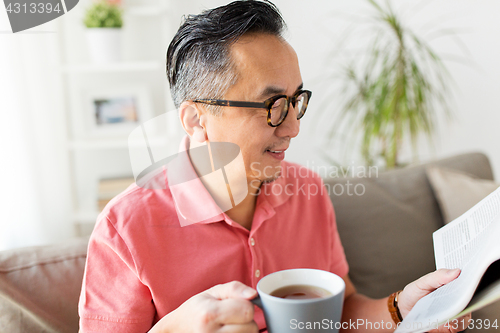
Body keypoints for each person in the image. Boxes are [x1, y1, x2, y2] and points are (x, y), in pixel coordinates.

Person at [78, 1, 471, 332]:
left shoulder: (307, 191)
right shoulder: (124, 229)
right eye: (272, 107)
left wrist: (402, 308)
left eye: (295, 100)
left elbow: (342, 309)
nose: (294, 127)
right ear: (196, 120)